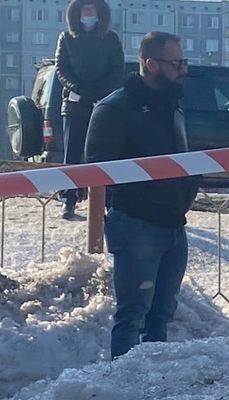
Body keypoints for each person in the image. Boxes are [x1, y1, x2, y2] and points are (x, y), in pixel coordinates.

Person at [84, 32, 199, 358]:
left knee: (160, 316)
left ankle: (152, 384)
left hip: (174, 224)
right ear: (151, 64)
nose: (182, 70)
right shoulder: (116, 108)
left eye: (183, 62)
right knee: (132, 314)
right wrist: (148, 191)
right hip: (137, 226)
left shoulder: (172, 106)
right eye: (176, 63)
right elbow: (96, 168)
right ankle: (123, 387)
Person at [54, 0, 125, 220]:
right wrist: (78, 88)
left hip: (103, 104)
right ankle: (69, 199)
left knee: (104, 155)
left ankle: (108, 202)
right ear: (76, 14)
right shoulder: (66, 38)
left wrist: (99, 91)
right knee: (72, 155)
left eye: (92, 10)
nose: (88, 14)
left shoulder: (111, 39)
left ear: (99, 14)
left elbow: (117, 71)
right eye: (84, 10)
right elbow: (61, 69)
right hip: (74, 104)